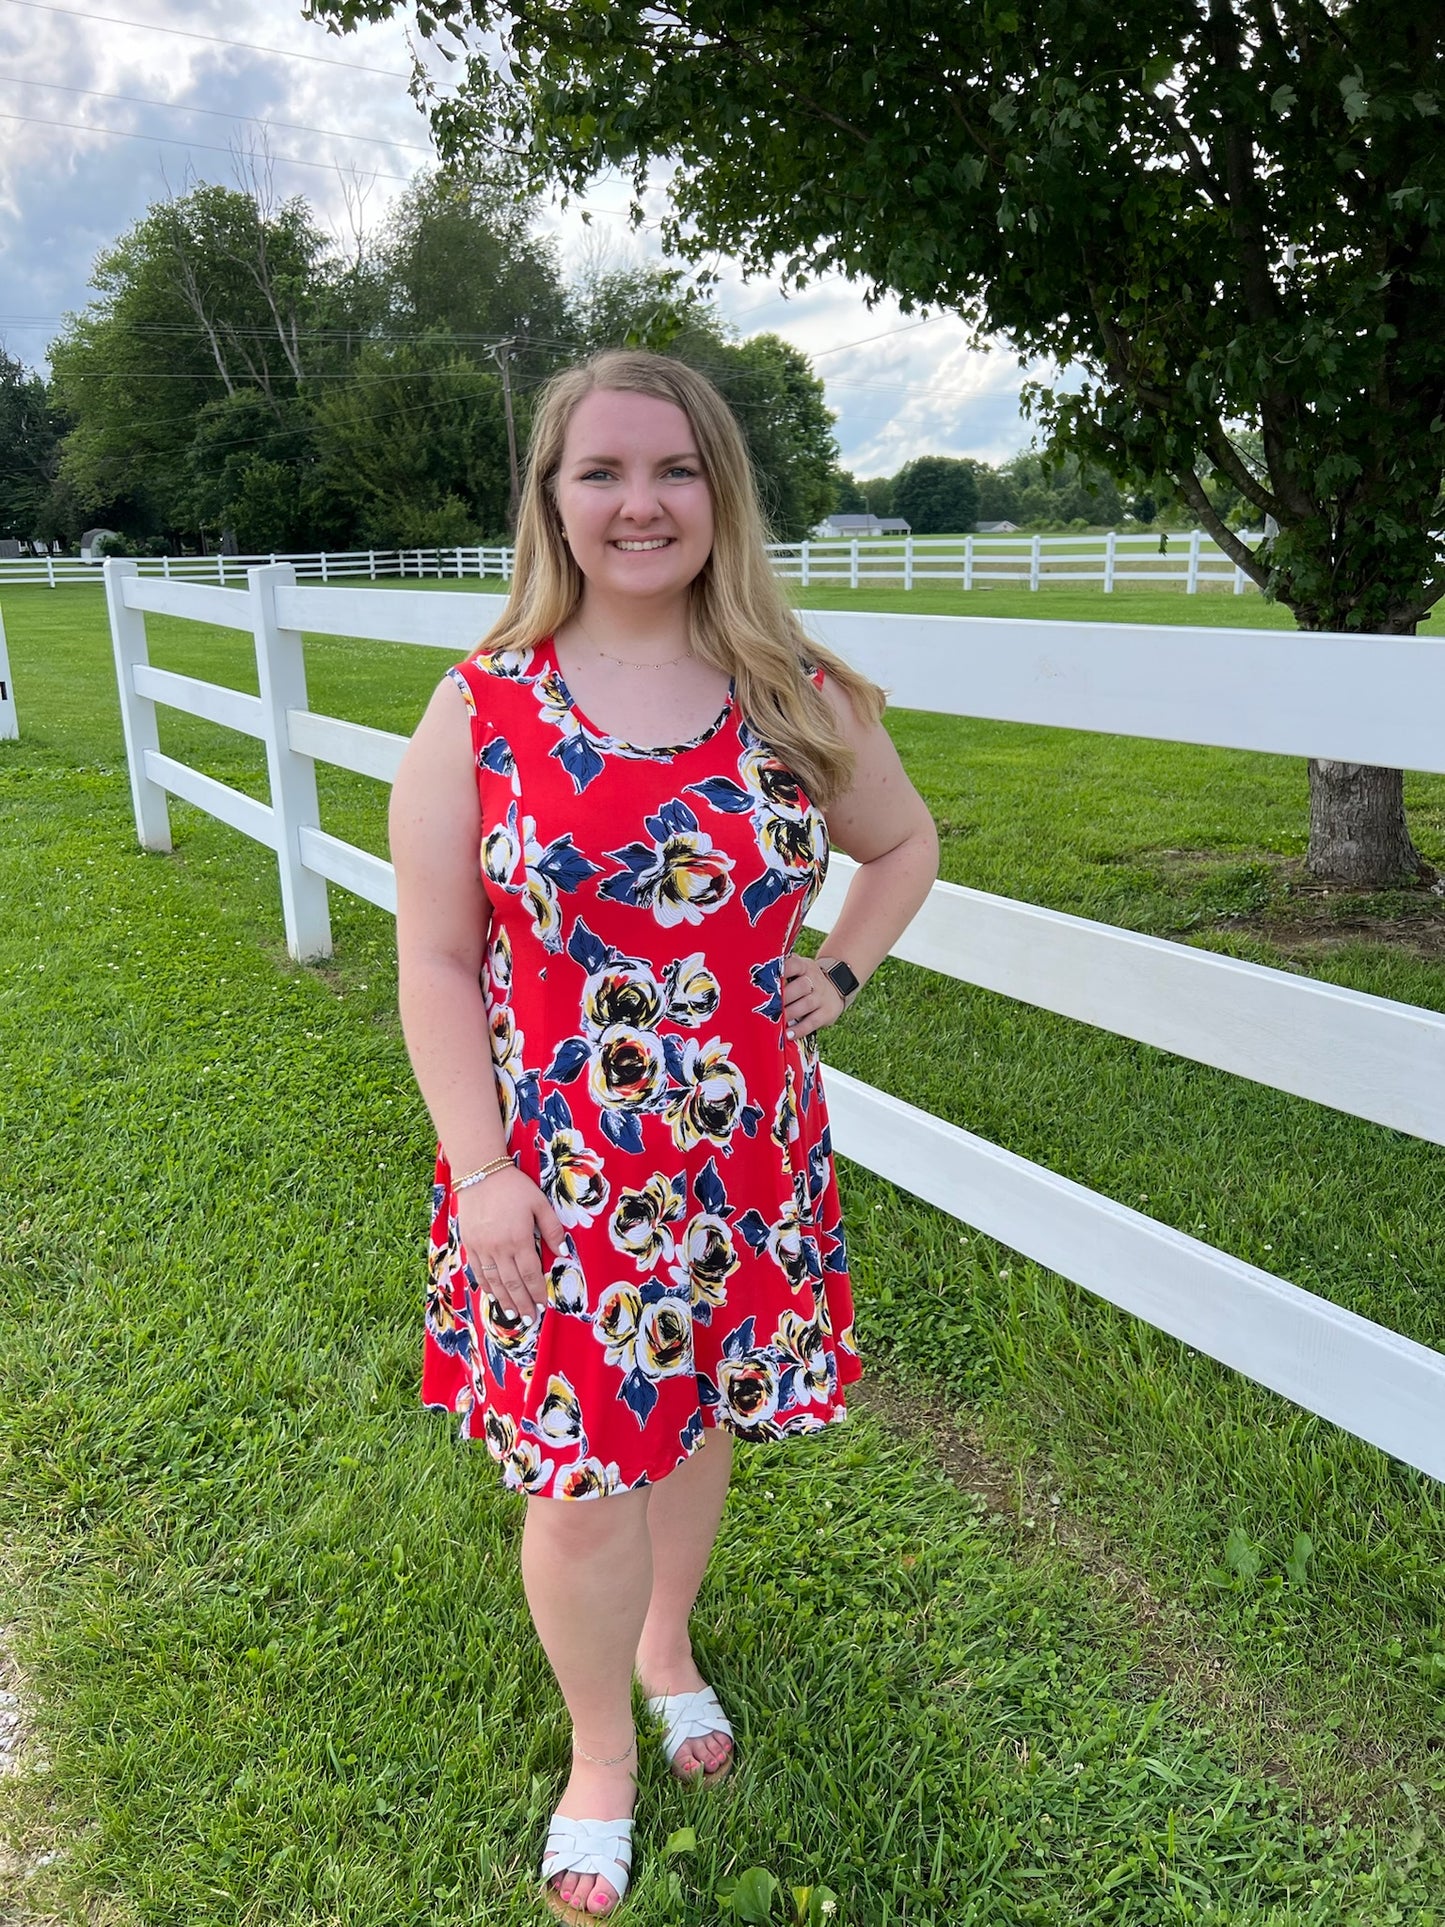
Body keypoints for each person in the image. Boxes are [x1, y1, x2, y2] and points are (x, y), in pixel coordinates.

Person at [388, 349, 938, 1921]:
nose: (641, 502)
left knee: (689, 1427)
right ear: (553, 501)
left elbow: (899, 844)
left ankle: (668, 1642)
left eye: (675, 470)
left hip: (740, 1163)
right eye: (603, 473)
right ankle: (598, 1756)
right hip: (556, 1181)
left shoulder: (791, 689)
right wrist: (481, 1171)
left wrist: (835, 967)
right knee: (577, 1476)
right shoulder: (483, 704)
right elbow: (433, 958)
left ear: (720, 494)